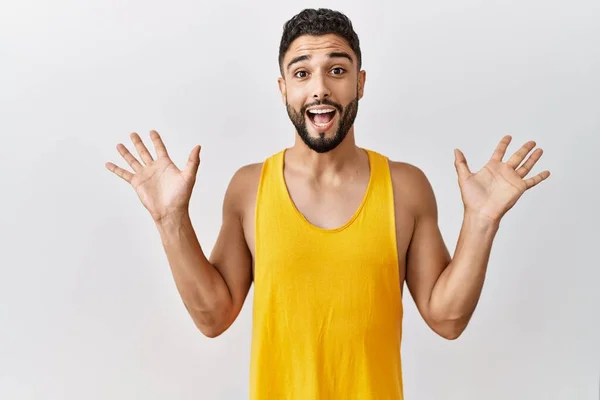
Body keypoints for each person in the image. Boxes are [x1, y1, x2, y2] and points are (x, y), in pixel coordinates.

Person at [104, 8, 550, 400]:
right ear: (283, 88)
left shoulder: (406, 187)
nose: (319, 88)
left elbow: (447, 320)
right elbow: (214, 317)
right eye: (302, 73)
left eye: (337, 70)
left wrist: (482, 221)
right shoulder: (249, 187)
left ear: (360, 82)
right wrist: (169, 220)